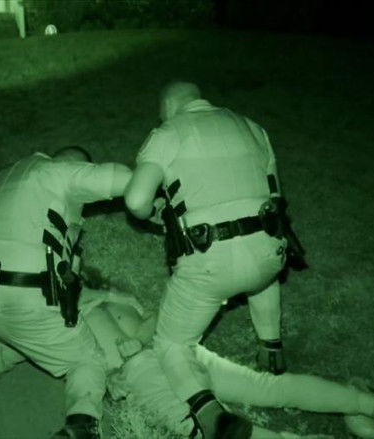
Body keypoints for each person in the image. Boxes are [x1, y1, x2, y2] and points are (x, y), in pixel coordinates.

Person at [123, 81, 298, 437]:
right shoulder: (252, 127)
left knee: (171, 344)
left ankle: (209, 413)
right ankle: (271, 347)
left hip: (211, 261)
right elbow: (273, 196)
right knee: (259, 268)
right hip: (269, 251)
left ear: (169, 108)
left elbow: (136, 201)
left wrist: (157, 213)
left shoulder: (168, 132)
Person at [0, 146, 132, 438]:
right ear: (76, 166)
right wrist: (156, 187)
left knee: (32, 336)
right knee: (87, 360)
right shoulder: (59, 172)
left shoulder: (3, 178)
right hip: (22, 297)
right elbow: (125, 179)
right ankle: (82, 427)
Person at [78, 287, 374, 439]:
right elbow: (81, 369)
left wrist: (118, 304)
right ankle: (366, 411)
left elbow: (153, 319)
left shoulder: (109, 294)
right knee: (211, 429)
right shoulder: (64, 314)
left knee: (266, 390)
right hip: (141, 367)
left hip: (173, 350)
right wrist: (111, 378)